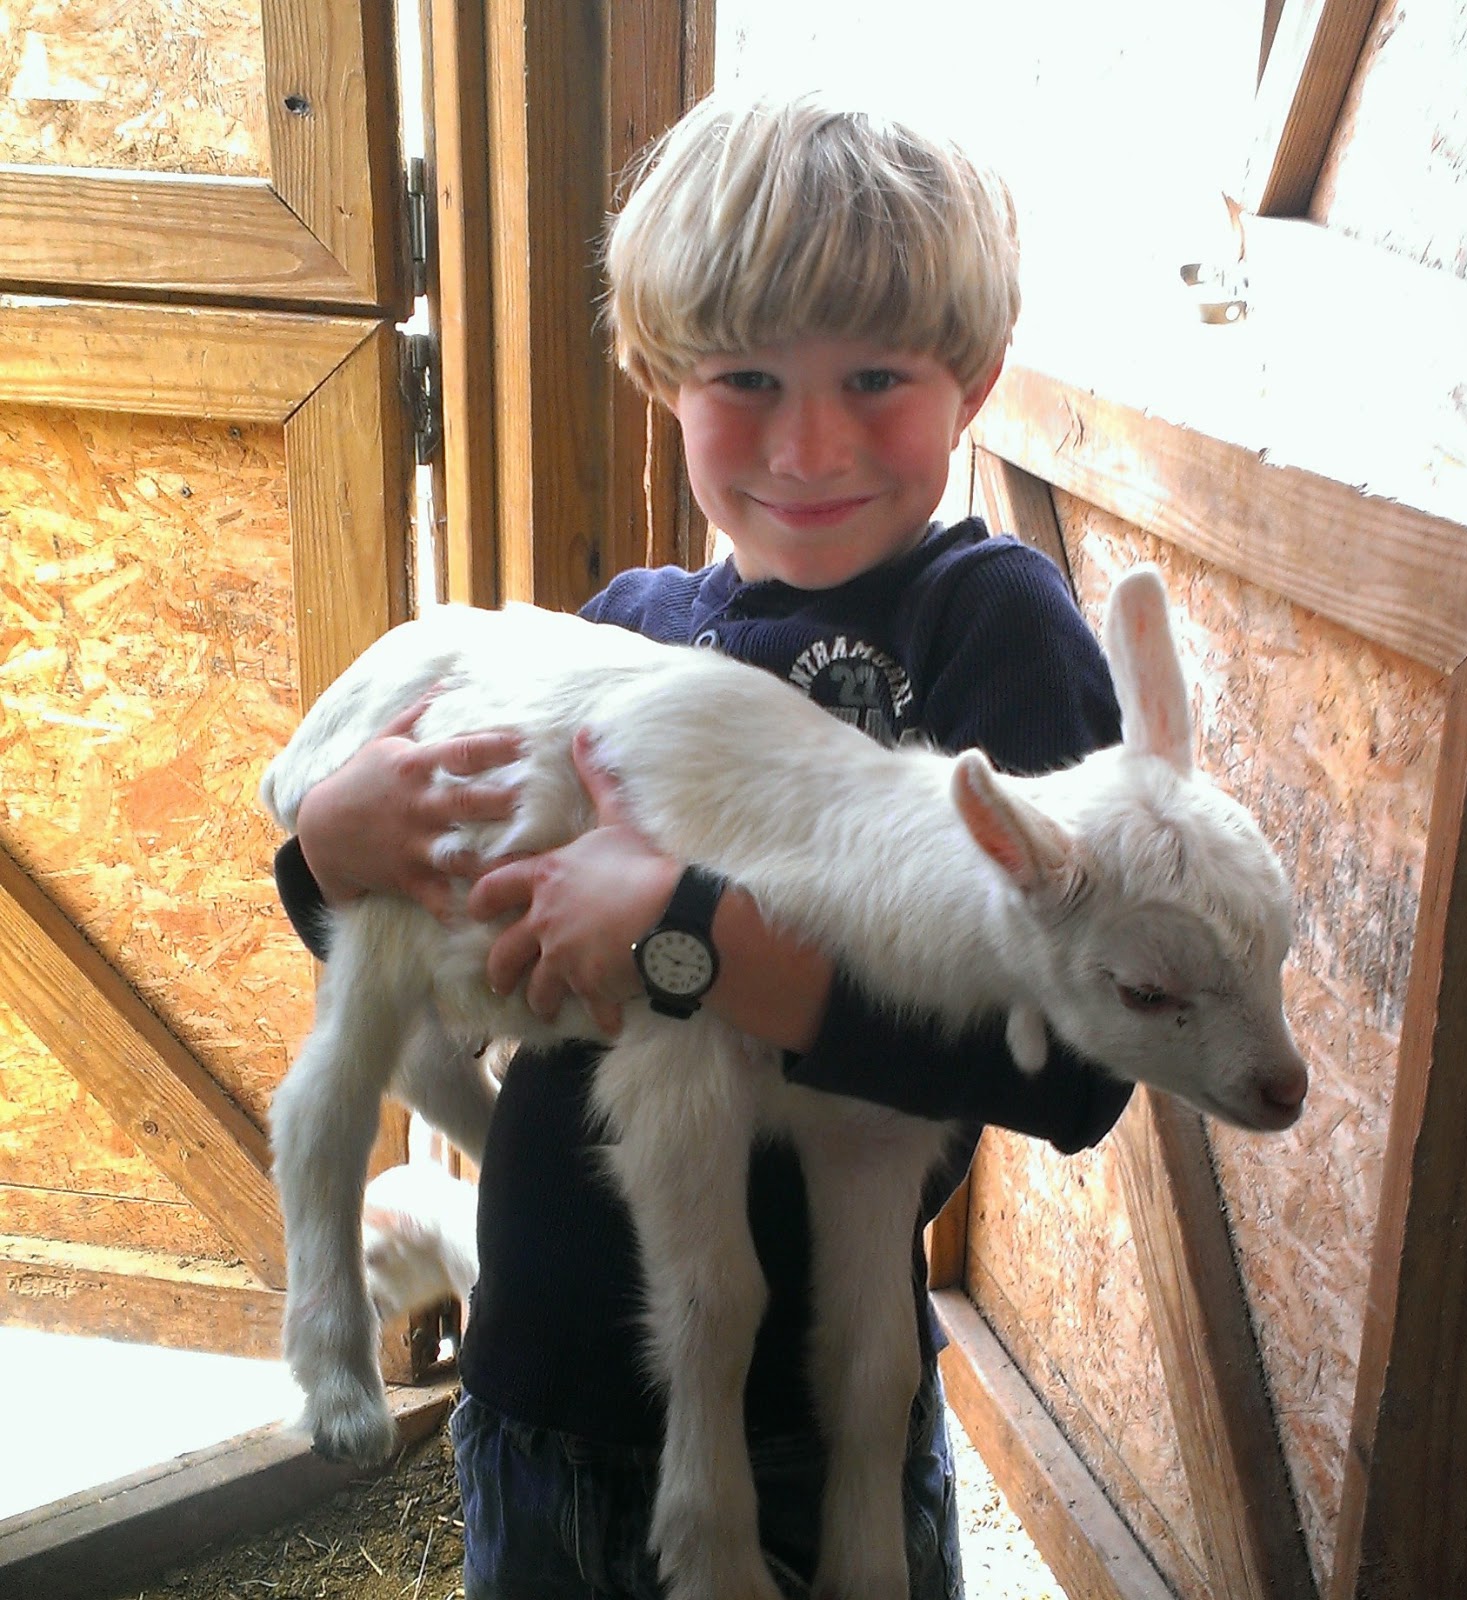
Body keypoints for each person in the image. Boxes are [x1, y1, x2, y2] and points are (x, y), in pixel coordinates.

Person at [272, 91, 1130, 1600]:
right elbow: (458, 949)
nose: (811, 442)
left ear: (976, 380)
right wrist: (333, 860)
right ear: (663, 374)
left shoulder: (991, 639)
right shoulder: (625, 634)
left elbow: (1072, 1071)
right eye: (747, 378)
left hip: (812, 1416)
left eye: (877, 376)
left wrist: (696, 940)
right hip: (537, 1381)